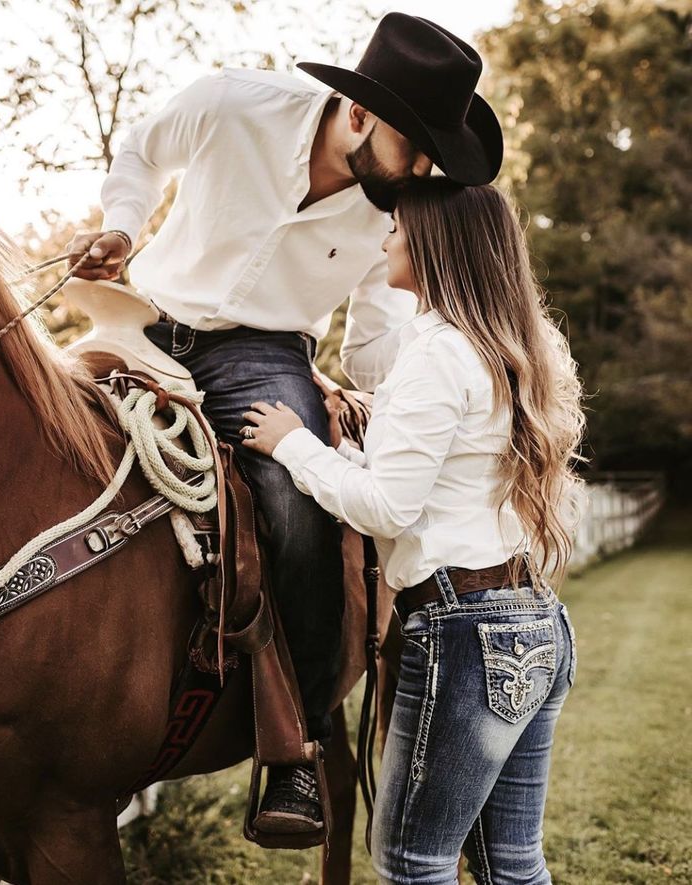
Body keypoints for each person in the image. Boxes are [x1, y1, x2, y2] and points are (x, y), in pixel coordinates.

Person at [66, 13, 503, 833]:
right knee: (22, 431)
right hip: (141, 321)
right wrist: (122, 225)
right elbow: (142, 150)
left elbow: (374, 334)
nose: (422, 169)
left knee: (298, 509)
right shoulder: (236, 102)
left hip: (262, 358)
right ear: (364, 114)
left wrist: (412, 410)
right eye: (418, 147)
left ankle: (294, 751)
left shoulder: (392, 207)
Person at [241, 176, 584, 883]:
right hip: (533, 618)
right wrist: (348, 433)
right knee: (511, 861)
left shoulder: (434, 352)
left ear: (432, 245)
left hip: (463, 632)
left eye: (396, 228)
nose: (387, 237)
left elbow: (387, 509)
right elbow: (429, 480)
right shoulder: (507, 346)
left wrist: (291, 444)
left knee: (413, 860)